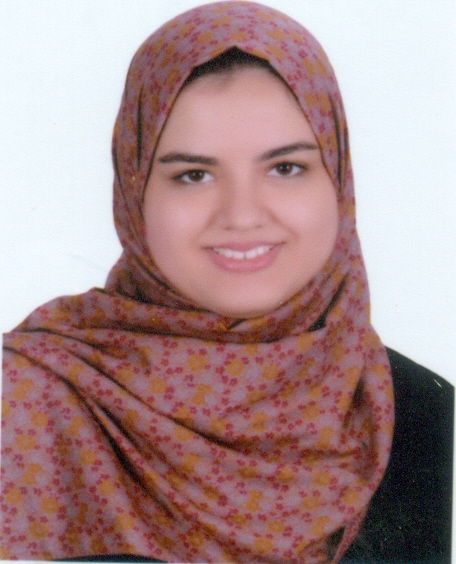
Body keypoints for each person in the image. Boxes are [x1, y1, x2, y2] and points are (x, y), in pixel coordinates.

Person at [1, 2, 452, 563]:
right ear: (134, 190)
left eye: (285, 168)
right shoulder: (25, 405)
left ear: (337, 178)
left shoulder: (425, 416)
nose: (242, 215)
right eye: (194, 175)